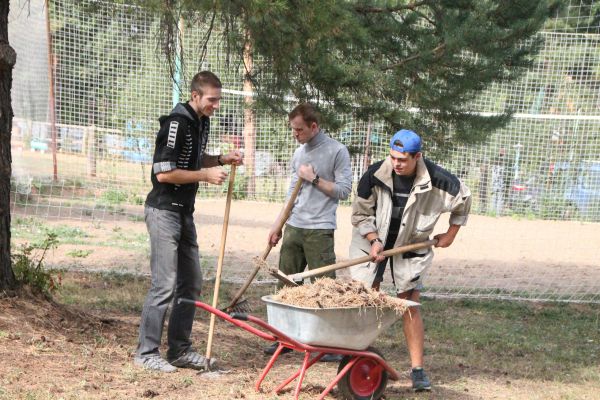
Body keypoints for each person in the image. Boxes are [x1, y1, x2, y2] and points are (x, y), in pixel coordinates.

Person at [134, 71, 243, 372]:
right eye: (212, 99)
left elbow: (193, 159)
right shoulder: (176, 123)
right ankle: (146, 352)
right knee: (164, 283)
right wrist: (205, 177)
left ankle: (180, 350)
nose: (216, 105)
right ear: (195, 95)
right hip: (164, 212)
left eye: (218, 100)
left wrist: (220, 159)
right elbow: (164, 173)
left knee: (191, 282)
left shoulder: (201, 122)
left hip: (185, 213)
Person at [349, 129, 471, 391]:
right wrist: (373, 239)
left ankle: (417, 371)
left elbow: (464, 199)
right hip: (371, 239)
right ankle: (356, 356)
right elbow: (360, 214)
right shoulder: (374, 174)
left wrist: (451, 233)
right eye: (393, 157)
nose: (396, 164)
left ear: (417, 156)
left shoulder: (439, 179)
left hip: (411, 243)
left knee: (409, 303)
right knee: (365, 296)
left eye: (402, 160)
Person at [265, 103, 353, 361]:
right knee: (286, 284)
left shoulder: (337, 151)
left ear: (314, 127)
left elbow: (344, 191)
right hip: (294, 226)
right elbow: (291, 196)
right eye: (293, 129)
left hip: (320, 229)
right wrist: (278, 225)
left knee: (323, 287)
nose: (295, 134)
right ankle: (284, 339)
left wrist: (314, 179)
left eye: (300, 129)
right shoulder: (298, 153)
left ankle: (329, 345)